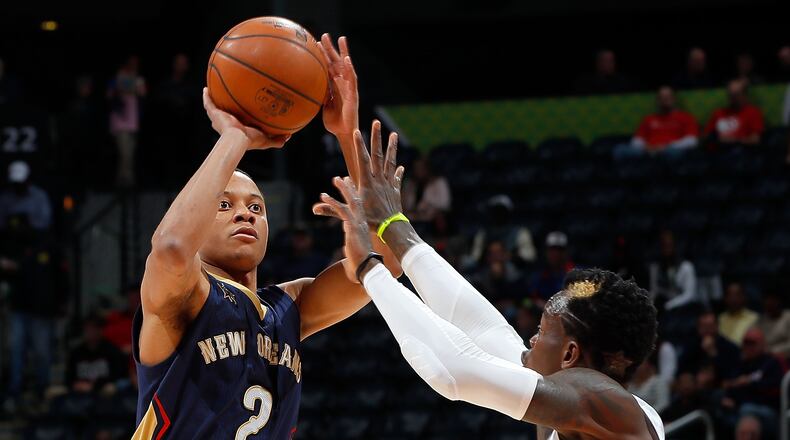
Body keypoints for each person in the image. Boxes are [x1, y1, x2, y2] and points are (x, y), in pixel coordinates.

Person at [312, 125, 664, 439]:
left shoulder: (597, 397)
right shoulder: (571, 403)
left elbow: (452, 371)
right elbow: (480, 328)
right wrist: (392, 224)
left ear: (570, 353)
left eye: (542, 332)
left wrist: (369, 270)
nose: (530, 339)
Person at [131, 35, 398, 438]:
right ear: (197, 220)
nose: (244, 212)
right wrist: (235, 137)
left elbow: (388, 262)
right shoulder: (185, 299)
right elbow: (170, 248)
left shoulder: (289, 308)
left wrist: (346, 133)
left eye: (256, 207)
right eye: (224, 205)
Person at [462, 194, 536, 270]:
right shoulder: (483, 234)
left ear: (508, 213)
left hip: (513, 273)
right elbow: (475, 258)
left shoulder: (520, 232)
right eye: (495, 211)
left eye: (501, 211)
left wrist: (508, 256)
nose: (498, 215)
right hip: (487, 273)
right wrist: (488, 256)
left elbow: (529, 257)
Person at [620, 86, 699, 156]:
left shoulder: (686, 117)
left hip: (670, 150)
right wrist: (646, 147)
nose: (664, 100)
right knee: (620, 150)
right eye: (661, 97)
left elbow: (692, 141)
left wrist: (665, 147)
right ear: (657, 100)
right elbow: (636, 140)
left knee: (674, 153)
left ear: (674, 99)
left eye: (668, 97)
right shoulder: (649, 119)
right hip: (648, 152)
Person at [107, 55, 147, 188]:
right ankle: (125, 182)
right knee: (125, 153)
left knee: (130, 153)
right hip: (120, 121)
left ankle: (125, 181)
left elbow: (142, 93)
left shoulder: (138, 79)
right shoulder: (118, 78)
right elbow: (109, 95)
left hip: (132, 122)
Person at [67, 315, 127, 395]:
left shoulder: (112, 351)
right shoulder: (76, 353)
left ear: (101, 330)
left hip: (105, 394)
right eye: (87, 329)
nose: (90, 332)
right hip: (80, 394)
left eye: (93, 328)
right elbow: (69, 378)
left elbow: (118, 377)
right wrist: (76, 385)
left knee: (110, 389)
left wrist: (95, 386)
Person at [704, 79, 764, 146]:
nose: (732, 98)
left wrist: (734, 141)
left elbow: (755, 140)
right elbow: (706, 136)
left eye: (736, 95)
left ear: (744, 95)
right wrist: (716, 139)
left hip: (742, 151)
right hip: (719, 151)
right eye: (730, 94)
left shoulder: (753, 112)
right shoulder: (718, 113)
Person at [0, 161, 52, 230]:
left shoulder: (39, 196)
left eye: (21, 183)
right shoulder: (5, 197)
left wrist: (29, 221)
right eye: (16, 183)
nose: (18, 185)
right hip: (9, 237)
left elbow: (46, 221)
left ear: (27, 179)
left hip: (34, 236)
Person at [529, 231, 575, 307]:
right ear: (546, 252)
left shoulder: (577, 274)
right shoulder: (539, 276)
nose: (556, 254)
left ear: (567, 251)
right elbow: (530, 298)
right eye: (552, 249)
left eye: (560, 249)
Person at [718, 282, 759, 346]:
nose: (733, 299)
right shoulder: (720, 318)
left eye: (737, 295)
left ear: (744, 297)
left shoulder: (754, 318)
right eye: (730, 295)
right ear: (725, 298)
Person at [756, 288, 790, 360]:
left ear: (780, 300)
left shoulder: (788, 317)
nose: (769, 303)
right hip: (763, 360)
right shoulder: (759, 321)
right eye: (767, 299)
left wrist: (770, 351)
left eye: (773, 300)